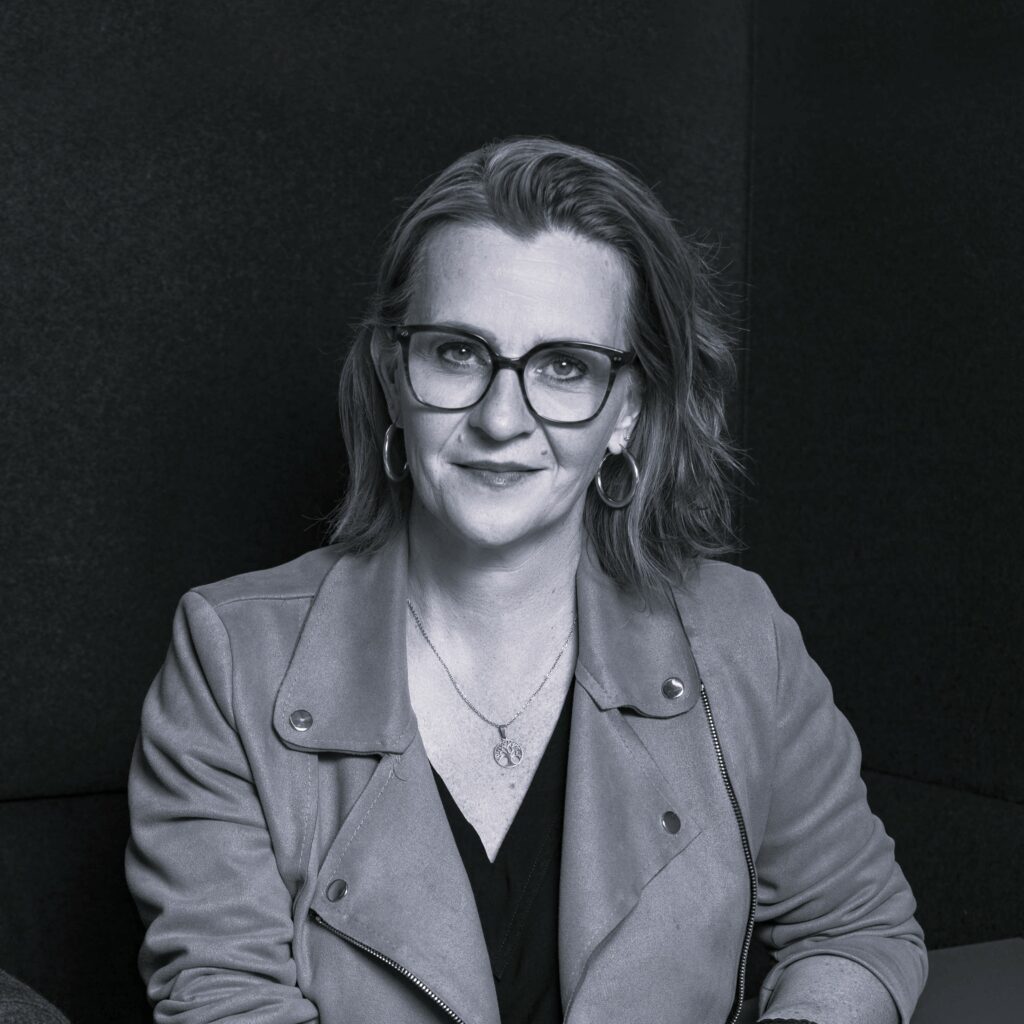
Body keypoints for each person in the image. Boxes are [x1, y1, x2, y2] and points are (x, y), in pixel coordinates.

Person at [126, 137, 927, 1024]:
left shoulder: (743, 639)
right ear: (392, 376)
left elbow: (857, 930)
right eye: (457, 353)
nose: (502, 418)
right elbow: (227, 1001)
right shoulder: (231, 659)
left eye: (565, 367)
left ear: (629, 409)